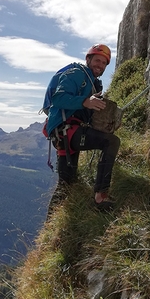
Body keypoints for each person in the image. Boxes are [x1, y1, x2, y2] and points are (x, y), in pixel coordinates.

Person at [45, 44, 120, 215]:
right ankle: (101, 195)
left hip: (65, 134)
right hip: (67, 130)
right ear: (88, 59)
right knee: (111, 142)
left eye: (104, 63)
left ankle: (48, 229)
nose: (99, 65)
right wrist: (85, 102)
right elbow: (58, 97)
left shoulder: (93, 83)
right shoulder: (77, 73)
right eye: (97, 60)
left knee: (67, 183)